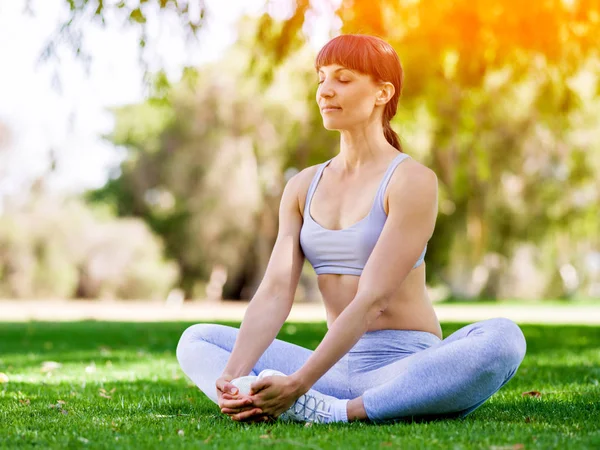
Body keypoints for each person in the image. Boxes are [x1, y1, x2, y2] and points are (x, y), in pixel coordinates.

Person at [176, 34, 526, 424]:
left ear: (382, 93)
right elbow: (275, 291)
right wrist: (231, 377)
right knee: (196, 339)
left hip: (403, 367)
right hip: (332, 368)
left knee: (504, 338)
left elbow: (372, 298)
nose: (325, 90)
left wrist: (299, 384)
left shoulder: (411, 180)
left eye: (343, 79)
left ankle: (341, 412)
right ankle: (256, 400)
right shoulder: (302, 186)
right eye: (321, 78)